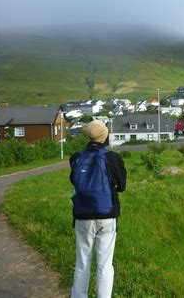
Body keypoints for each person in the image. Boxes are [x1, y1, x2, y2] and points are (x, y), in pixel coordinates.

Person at [70, 120, 126, 298]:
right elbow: (122, 186)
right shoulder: (113, 158)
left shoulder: (76, 157)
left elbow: (75, 181)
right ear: (105, 135)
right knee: (104, 264)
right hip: (106, 215)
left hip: (82, 215)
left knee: (82, 262)